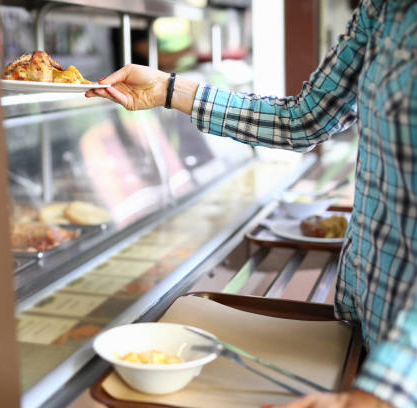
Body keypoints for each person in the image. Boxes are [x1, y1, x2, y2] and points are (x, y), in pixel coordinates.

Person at [86, 0, 416, 407]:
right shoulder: (381, 9)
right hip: (361, 328)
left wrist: (381, 393)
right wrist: (172, 90)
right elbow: (304, 119)